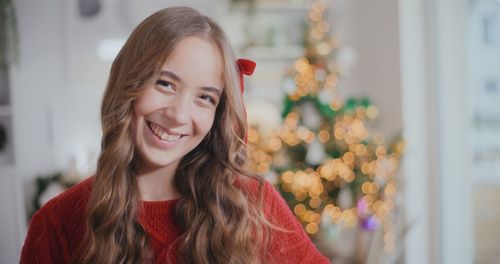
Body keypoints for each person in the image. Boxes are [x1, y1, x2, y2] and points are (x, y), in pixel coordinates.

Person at [20, 6, 330, 264]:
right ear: (128, 83)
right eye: (165, 83)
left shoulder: (252, 203)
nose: (179, 115)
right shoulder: (57, 223)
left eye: (205, 97)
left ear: (218, 113)